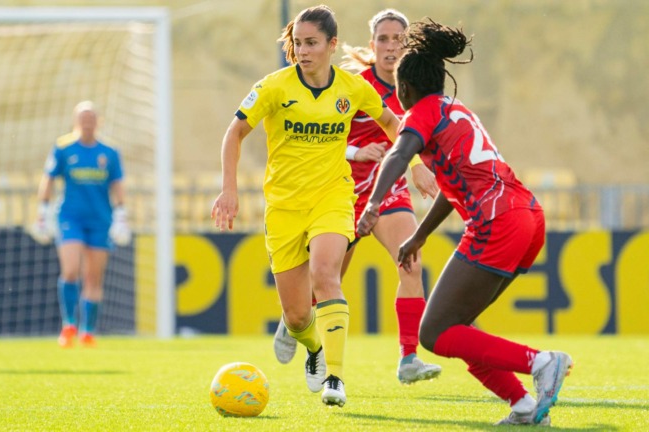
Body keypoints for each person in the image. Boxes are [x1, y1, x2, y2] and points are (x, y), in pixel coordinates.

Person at [357, 19, 573, 426]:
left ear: (403, 89)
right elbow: (449, 187)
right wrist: (419, 235)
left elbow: (397, 156)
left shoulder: (418, 114)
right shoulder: (454, 109)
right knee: (461, 327)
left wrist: (372, 206)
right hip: (527, 216)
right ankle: (523, 405)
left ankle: (542, 363)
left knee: (435, 333)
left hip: (497, 222)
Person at [211, 5, 401, 407]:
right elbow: (235, 132)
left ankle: (336, 378)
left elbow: (392, 123)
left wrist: (415, 163)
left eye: (312, 43)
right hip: (283, 208)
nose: (303, 51)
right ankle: (313, 347)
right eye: (297, 43)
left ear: (332, 45)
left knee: (325, 274)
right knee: (297, 317)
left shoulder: (351, 88)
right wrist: (229, 190)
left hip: (332, 197)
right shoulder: (274, 87)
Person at [271, 8, 443, 386]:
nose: (391, 46)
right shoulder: (351, 85)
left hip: (387, 191)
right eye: (383, 39)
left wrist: (418, 166)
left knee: (411, 261)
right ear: (372, 45)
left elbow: (409, 133)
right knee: (326, 279)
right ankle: (295, 320)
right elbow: (320, 137)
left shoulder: (413, 89)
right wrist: (354, 154)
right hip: (342, 190)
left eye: (399, 39)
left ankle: (409, 357)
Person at [31, 101, 131, 348]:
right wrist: (42, 210)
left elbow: (117, 184)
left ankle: (88, 331)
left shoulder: (109, 152)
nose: (87, 123)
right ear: (76, 121)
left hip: (100, 220)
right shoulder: (63, 148)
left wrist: (121, 214)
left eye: (91, 118)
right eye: (83, 118)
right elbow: (49, 178)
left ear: (99, 122)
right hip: (69, 218)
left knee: (93, 278)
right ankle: (69, 324)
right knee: (71, 269)